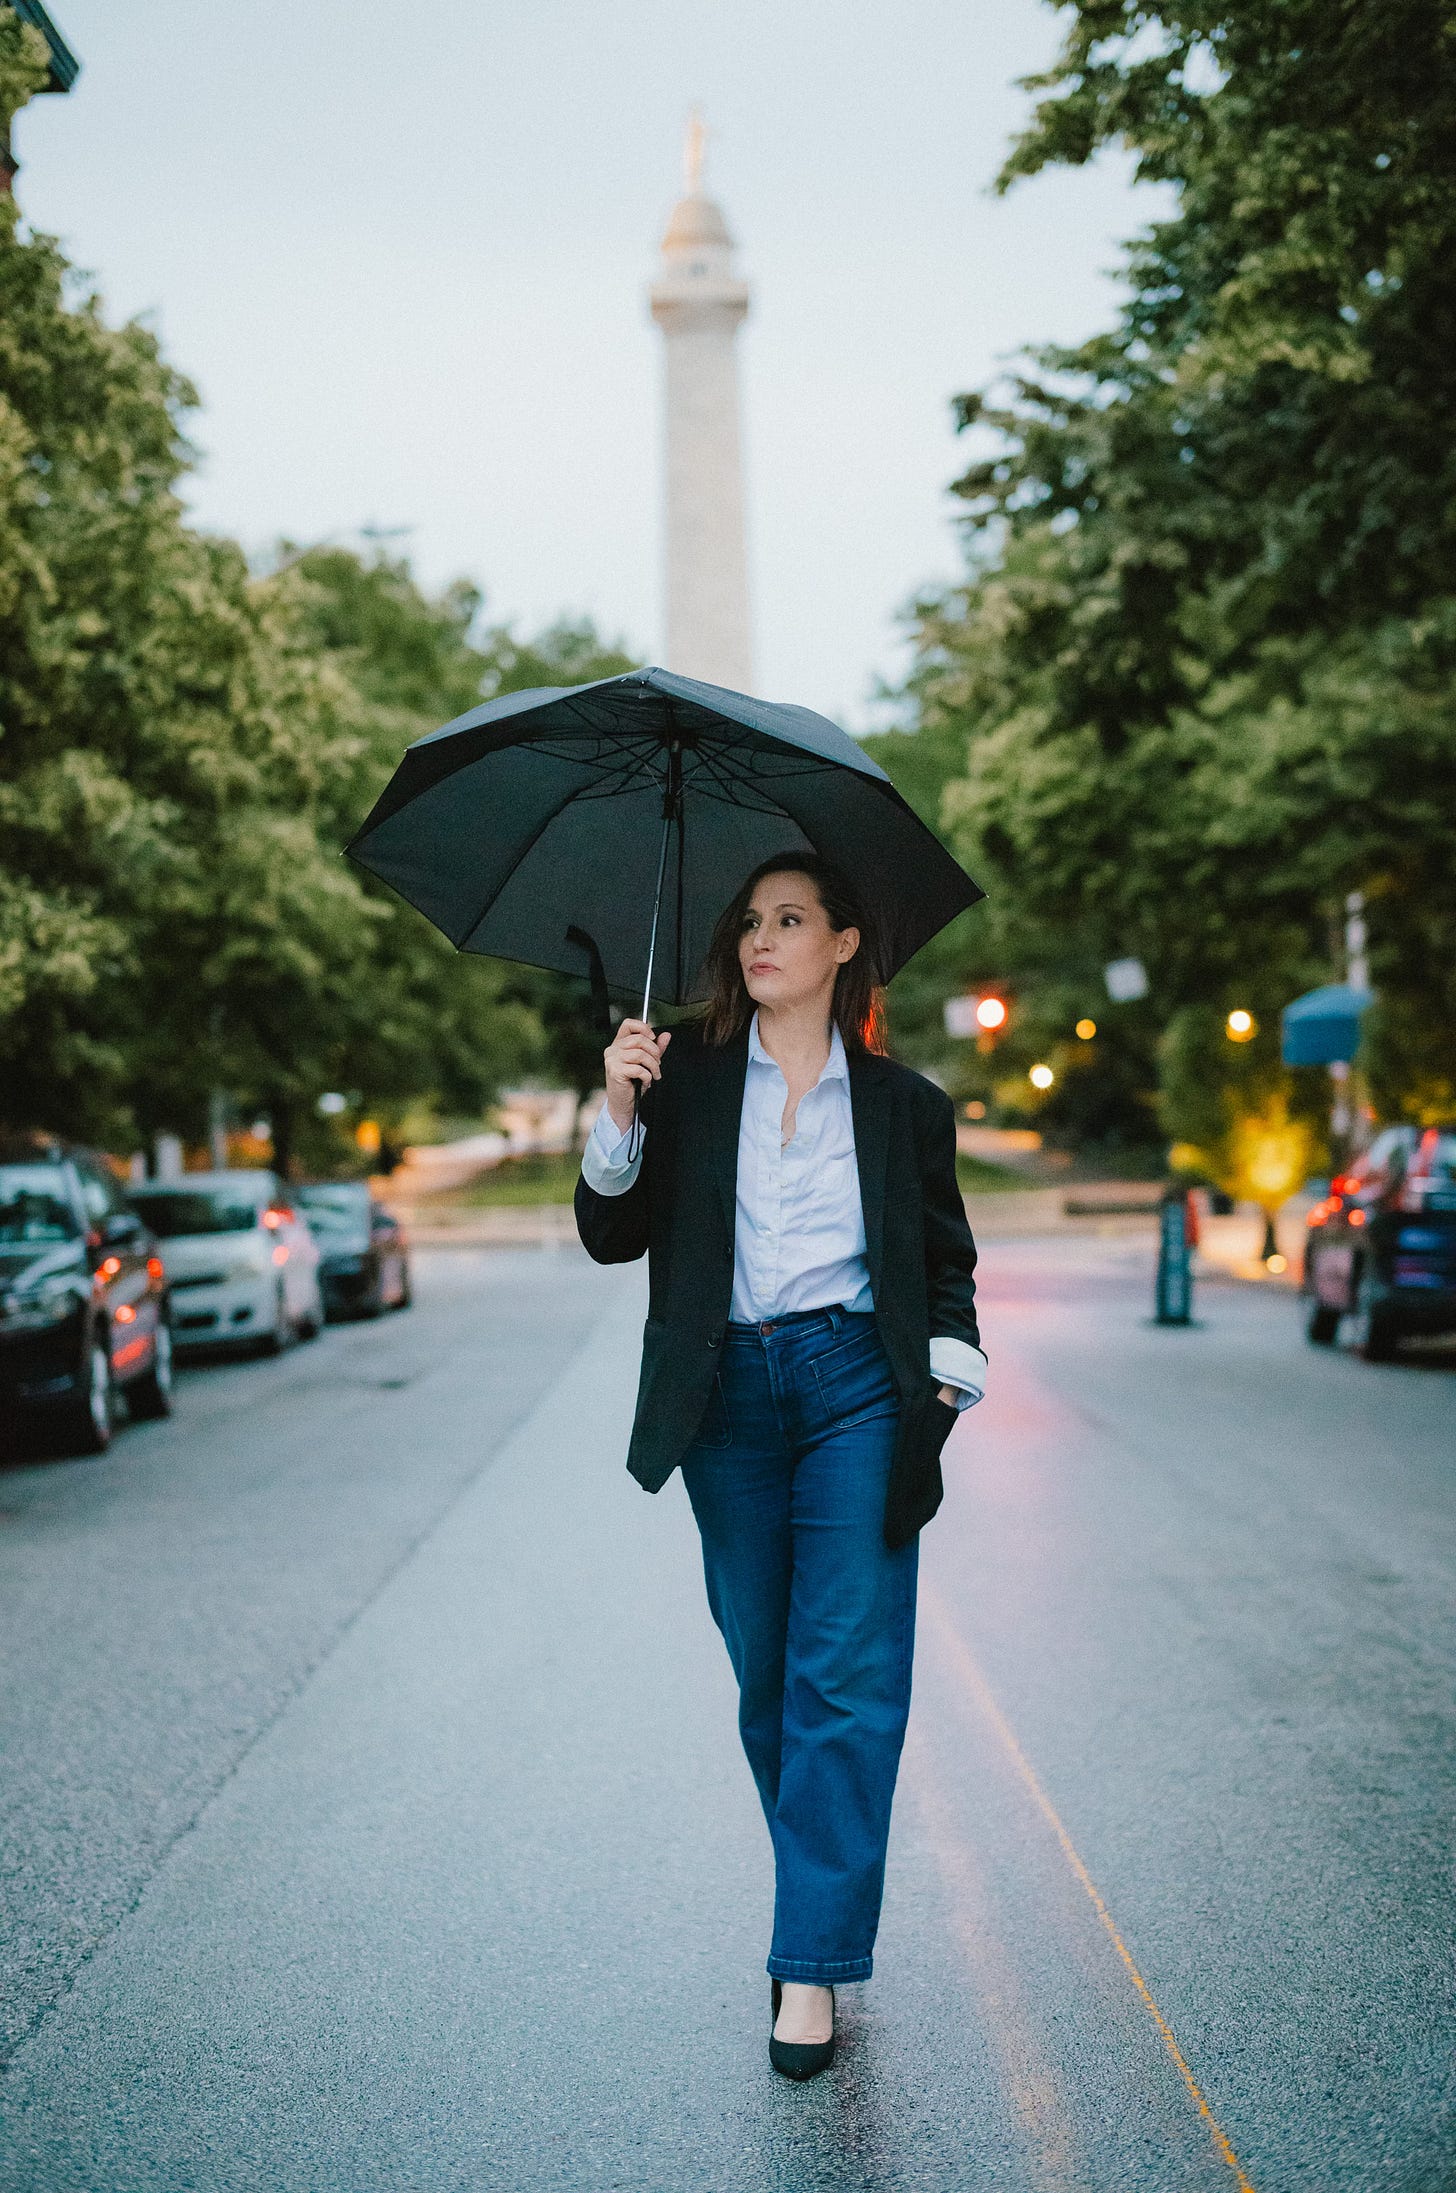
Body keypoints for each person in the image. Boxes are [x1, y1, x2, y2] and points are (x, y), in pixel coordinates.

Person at [574, 851, 984, 2081]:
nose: (762, 940)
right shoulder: (685, 1080)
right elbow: (608, 1237)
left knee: (845, 1680)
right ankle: (819, 1903)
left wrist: (947, 1382)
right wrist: (618, 1114)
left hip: (856, 1384)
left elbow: (946, 1263)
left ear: (844, 946)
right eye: (751, 922)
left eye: (791, 920)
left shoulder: (906, 1104)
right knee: (770, 1683)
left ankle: (807, 1969)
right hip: (728, 1402)